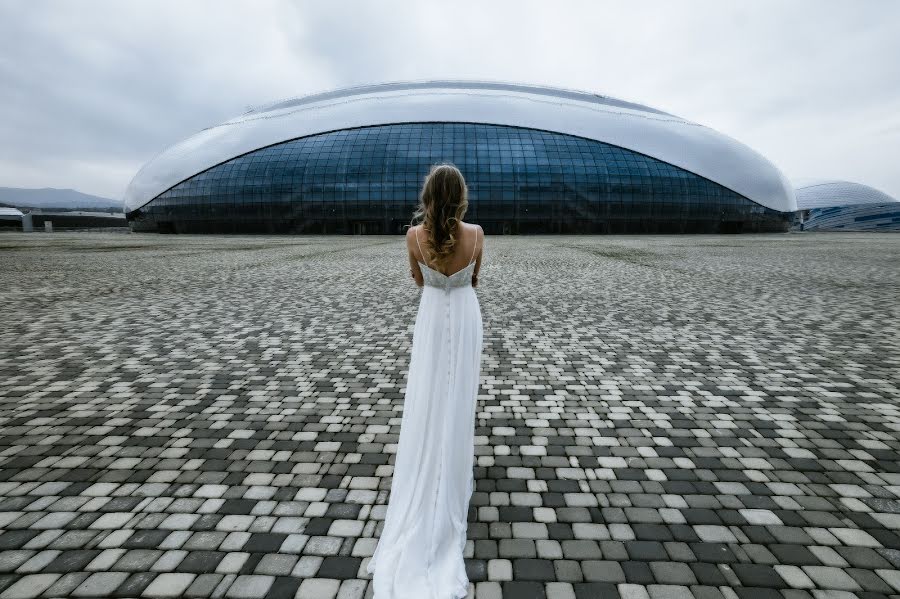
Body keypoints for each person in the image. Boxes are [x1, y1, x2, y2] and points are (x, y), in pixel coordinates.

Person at [366, 163, 484, 598]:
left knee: (431, 389)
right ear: (462, 195)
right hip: (466, 313)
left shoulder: (413, 237)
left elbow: (419, 282)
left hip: (432, 317)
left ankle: (431, 461)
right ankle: (453, 461)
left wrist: (434, 276)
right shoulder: (478, 234)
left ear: (429, 196)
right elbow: (474, 279)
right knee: (458, 394)